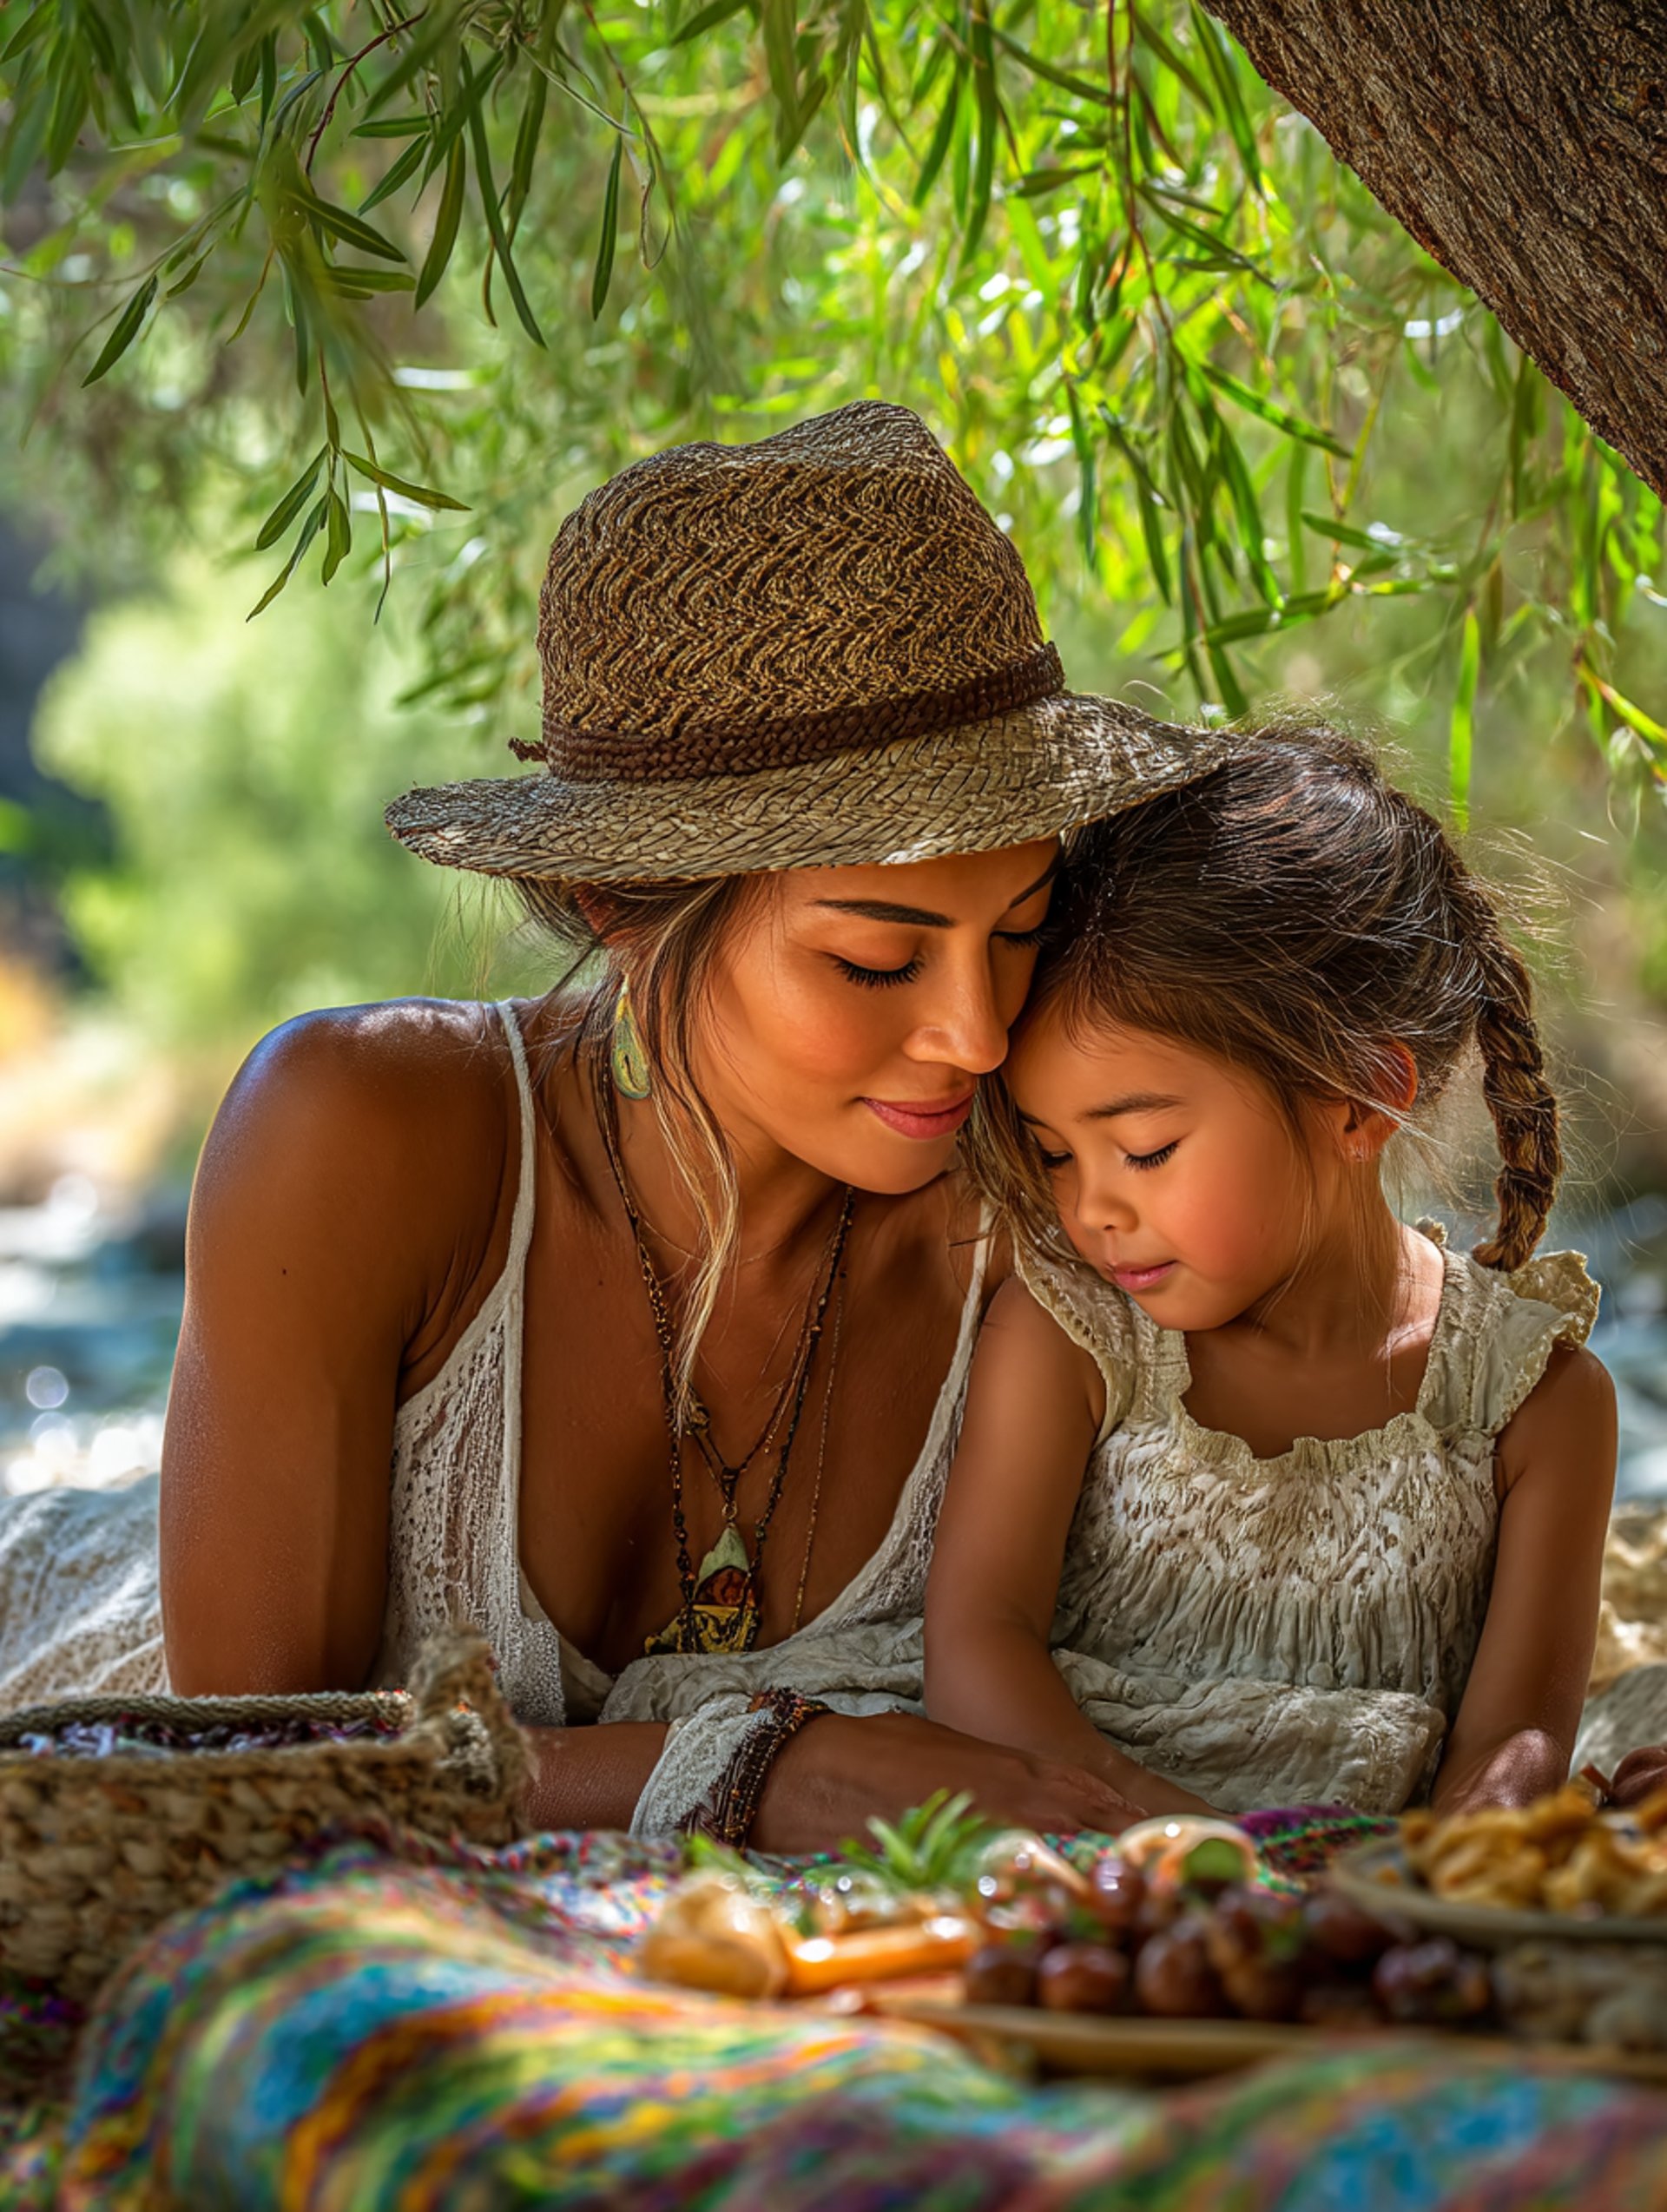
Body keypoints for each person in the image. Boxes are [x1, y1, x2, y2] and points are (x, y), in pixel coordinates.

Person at [0, 401, 1234, 1852]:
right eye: (874, 961)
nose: (975, 1031)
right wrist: (757, 1766)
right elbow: (251, 1766)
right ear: (616, 907)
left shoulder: (1056, 1195)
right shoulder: (362, 1136)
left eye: (1021, 930)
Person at [924, 727, 1618, 1818]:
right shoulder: (1076, 1342)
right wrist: (1177, 1842)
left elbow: (1517, 1738)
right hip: (1096, 1858)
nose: (1091, 1206)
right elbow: (974, 1649)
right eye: (1055, 1151)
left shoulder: (1529, 1405)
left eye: (1145, 1148)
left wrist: (1431, 1882)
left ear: (1356, 1099)